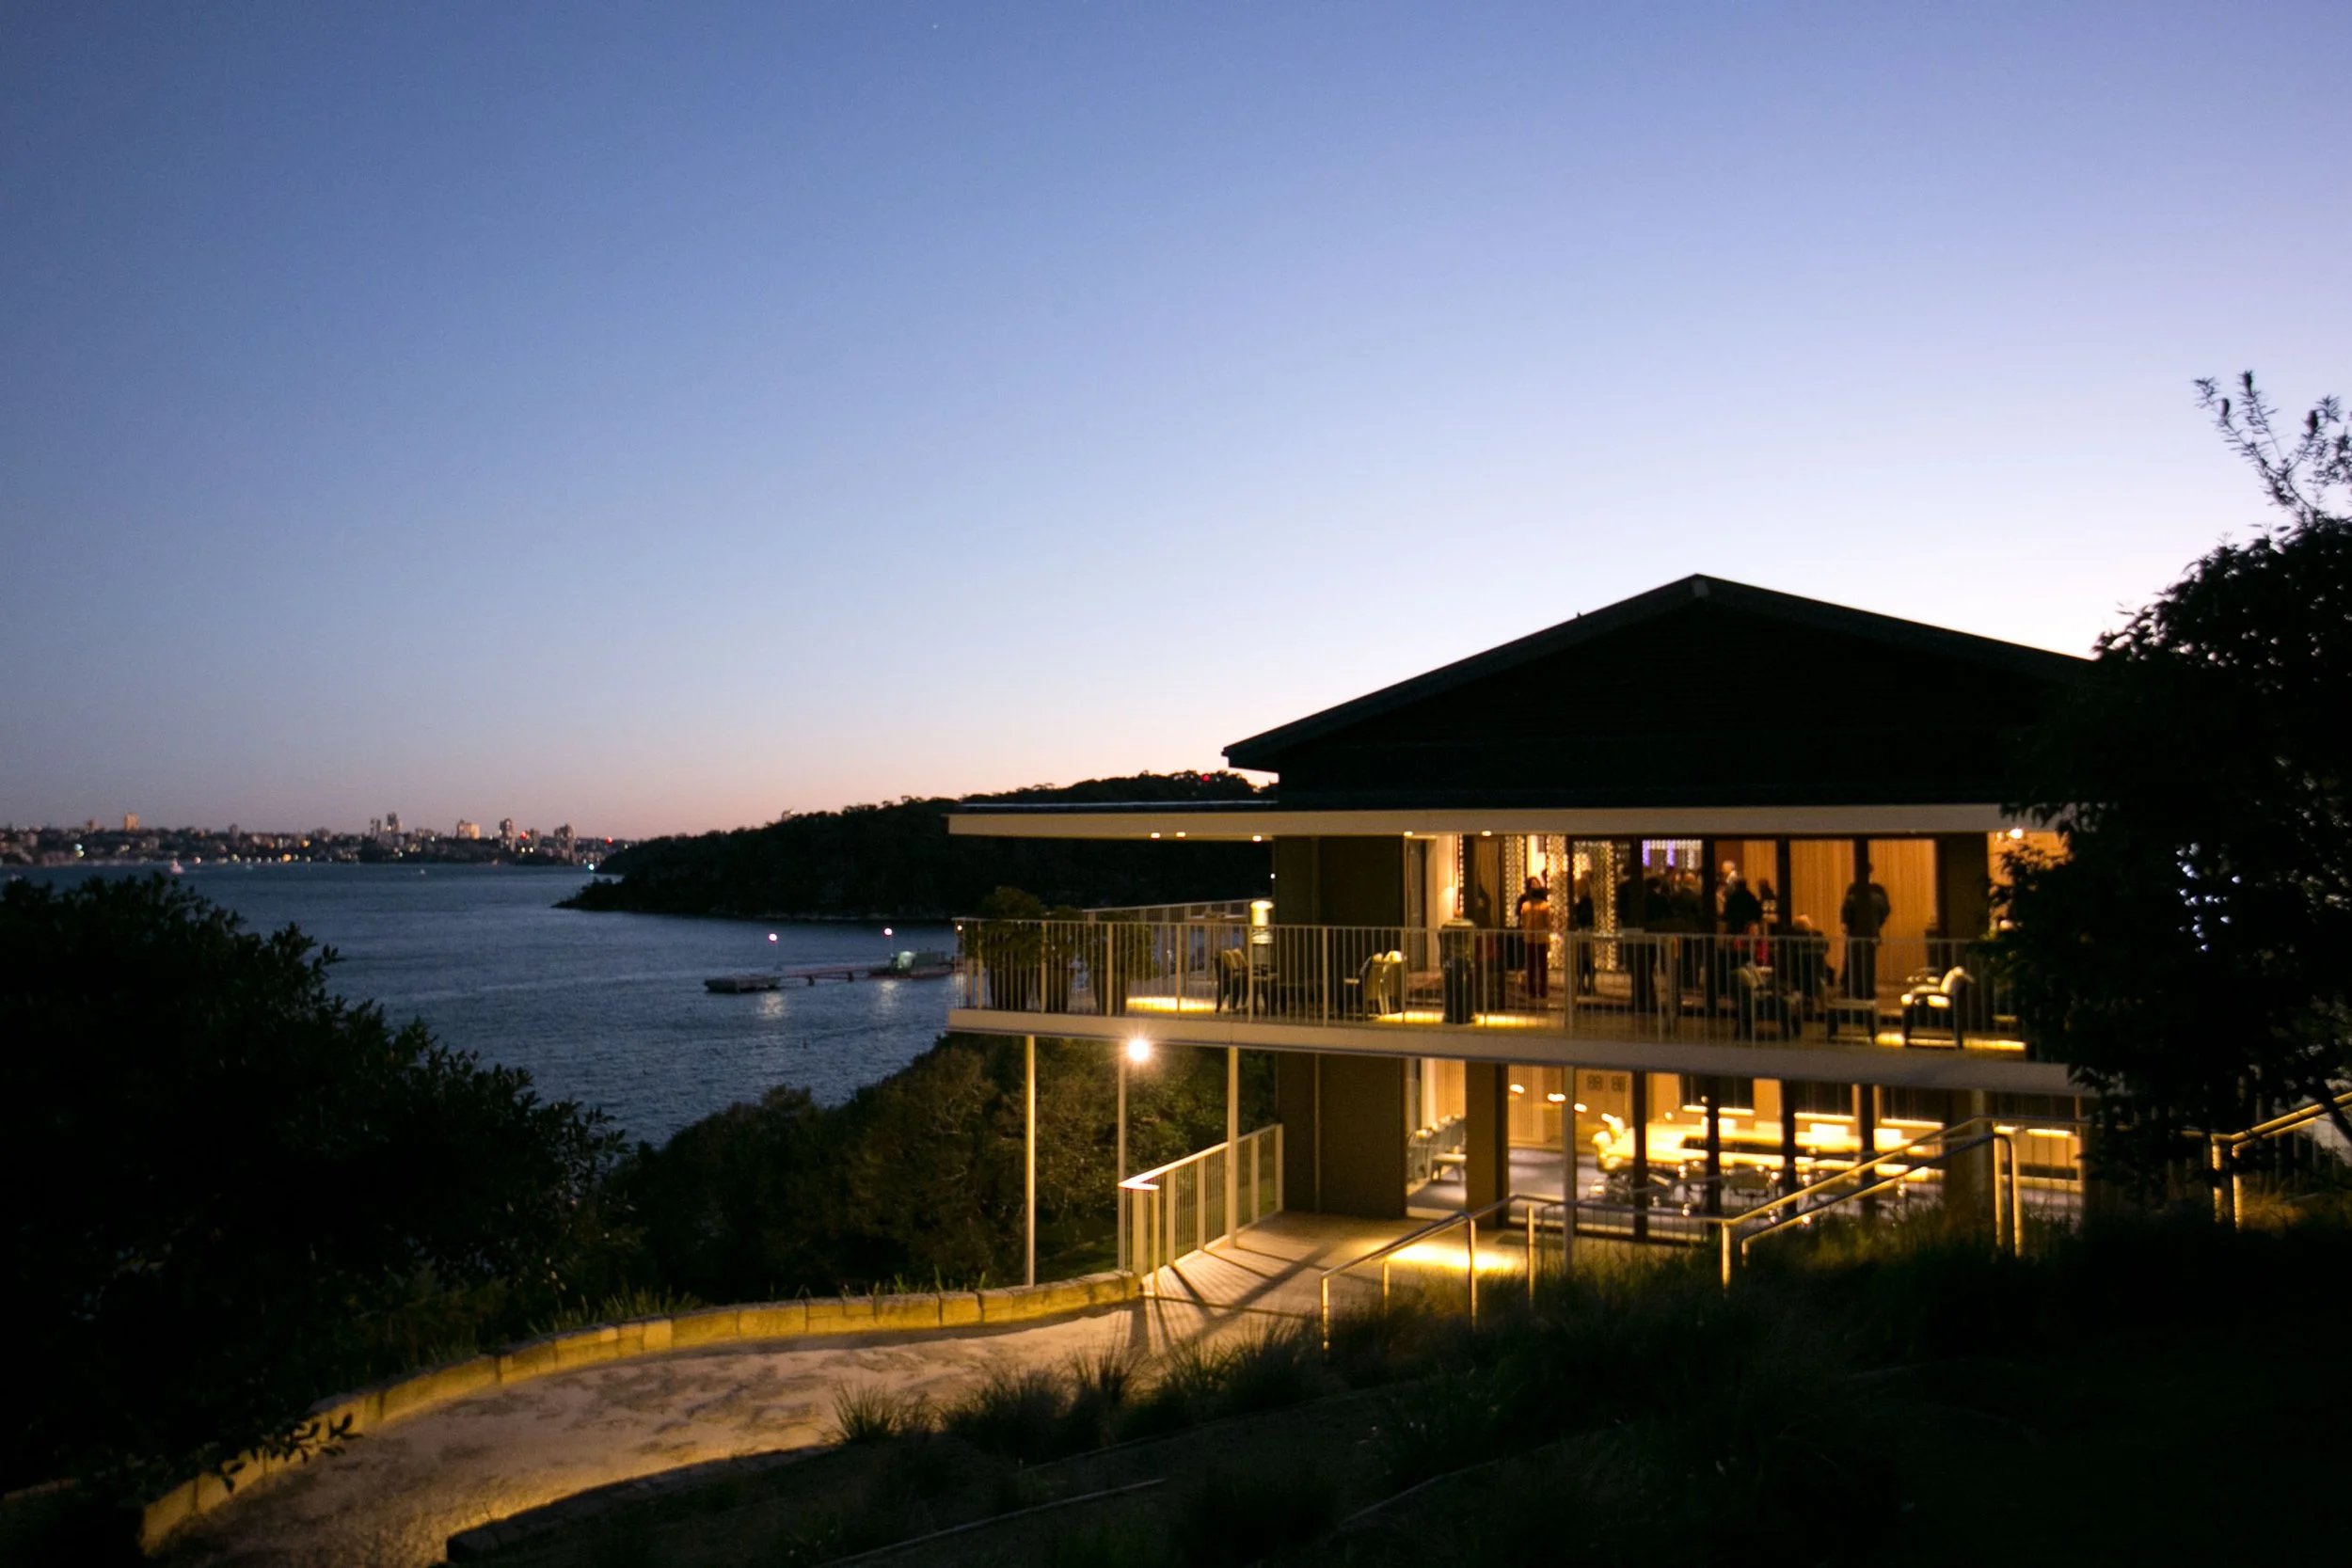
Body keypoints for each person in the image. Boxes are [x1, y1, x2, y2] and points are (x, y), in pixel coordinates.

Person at [1841, 861, 1891, 1001]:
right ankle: (1865, 990)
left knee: (1857, 961)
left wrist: (1847, 924)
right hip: (1870, 932)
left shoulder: (1854, 889)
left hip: (1856, 932)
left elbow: (1846, 909)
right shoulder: (1877, 891)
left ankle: (1856, 990)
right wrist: (1877, 924)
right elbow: (1885, 910)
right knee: (1866, 962)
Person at [1516, 875, 1550, 1000]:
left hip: (1535, 938)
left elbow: (1524, 922)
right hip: (1535, 938)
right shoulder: (1533, 906)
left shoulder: (1531, 906)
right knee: (1535, 965)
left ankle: (1538, 989)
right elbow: (1547, 922)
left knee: (1537, 965)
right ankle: (1537, 990)